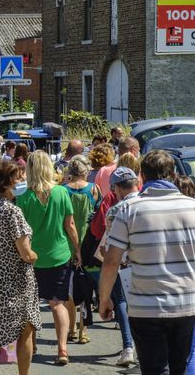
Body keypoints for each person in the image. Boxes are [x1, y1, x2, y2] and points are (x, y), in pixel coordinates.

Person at [100, 150, 195, 374]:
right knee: (180, 367)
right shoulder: (192, 207)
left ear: (141, 175)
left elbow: (112, 261)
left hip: (146, 306)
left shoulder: (128, 210)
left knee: (154, 369)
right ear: (173, 175)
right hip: (186, 303)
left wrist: (104, 299)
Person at [16, 150, 80, 366]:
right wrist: (77, 249)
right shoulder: (62, 193)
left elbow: (19, 233)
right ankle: (62, 349)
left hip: (31, 259)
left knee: (31, 305)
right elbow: (70, 225)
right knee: (58, 303)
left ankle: (31, 346)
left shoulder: (23, 198)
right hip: (59, 255)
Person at [0, 160, 41, 375]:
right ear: (7, 183)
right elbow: (25, 253)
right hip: (15, 285)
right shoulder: (13, 212)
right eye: (19, 178)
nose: (23, 180)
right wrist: (35, 256)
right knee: (25, 333)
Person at [97, 167, 139, 367]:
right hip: (146, 264)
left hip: (124, 267)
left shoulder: (116, 210)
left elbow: (112, 248)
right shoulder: (146, 203)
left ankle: (128, 346)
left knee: (121, 301)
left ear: (117, 188)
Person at [62, 155, 101, 345]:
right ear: (85, 171)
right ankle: (83, 330)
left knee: (68, 290)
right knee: (86, 290)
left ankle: (71, 328)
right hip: (87, 245)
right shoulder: (94, 189)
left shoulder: (62, 191)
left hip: (67, 244)